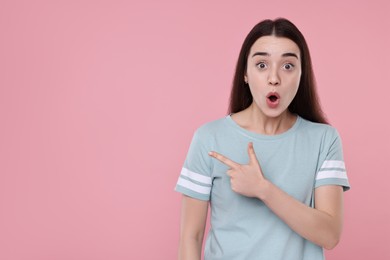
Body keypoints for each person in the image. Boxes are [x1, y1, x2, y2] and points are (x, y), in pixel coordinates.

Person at [175, 18, 350, 260]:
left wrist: (263, 189)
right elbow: (189, 238)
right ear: (245, 74)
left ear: (302, 75)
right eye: (261, 65)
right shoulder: (209, 138)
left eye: (288, 66)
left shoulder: (324, 140)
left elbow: (330, 234)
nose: (274, 78)